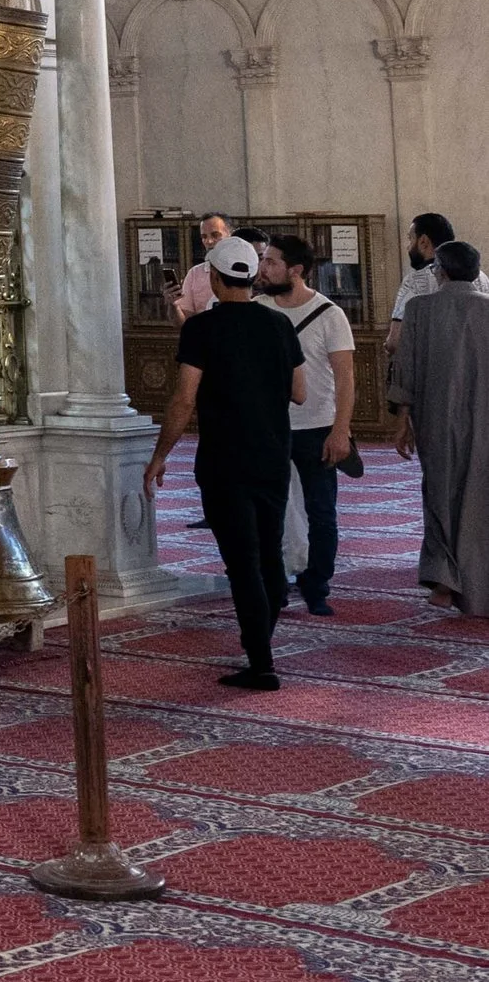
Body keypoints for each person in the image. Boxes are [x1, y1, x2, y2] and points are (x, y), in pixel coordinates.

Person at [143, 230, 303, 688]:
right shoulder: (278, 325)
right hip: (273, 456)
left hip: (224, 462)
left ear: (214, 278)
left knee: (242, 562)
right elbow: (300, 392)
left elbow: (183, 399)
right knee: (268, 556)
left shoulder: (201, 328)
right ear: (252, 278)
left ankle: (261, 662)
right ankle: (262, 640)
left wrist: (159, 456)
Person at [259, 232, 357, 616]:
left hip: (317, 427)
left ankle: (316, 584)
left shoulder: (330, 315)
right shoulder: (259, 308)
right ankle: (275, 581)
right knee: (270, 509)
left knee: (321, 512)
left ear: (295, 270)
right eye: (262, 260)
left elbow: (346, 378)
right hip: (269, 428)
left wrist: (340, 430)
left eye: (271, 262)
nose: (262, 268)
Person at [389, 239, 489, 614]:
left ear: (441, 270)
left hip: (436, 418)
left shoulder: (420, 309)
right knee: (479, 496)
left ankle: (445, 582)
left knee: (440, 493)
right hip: (484, 419)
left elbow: (406, 370)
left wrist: (403, 423)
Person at [385, 213, 455, 383]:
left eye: (410, 239)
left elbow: (396, 341)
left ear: (423, 241)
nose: (408, 247)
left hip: (430, 379)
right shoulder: (481, 278)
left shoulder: (415, 281)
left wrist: (388, 345)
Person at [172, 215, 239, 323]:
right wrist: (173, 306)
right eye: (204, 237)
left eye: (215, 235)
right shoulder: (195, 274)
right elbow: (185, 323)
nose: (209, 241)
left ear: (231, 236)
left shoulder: (243, 270)